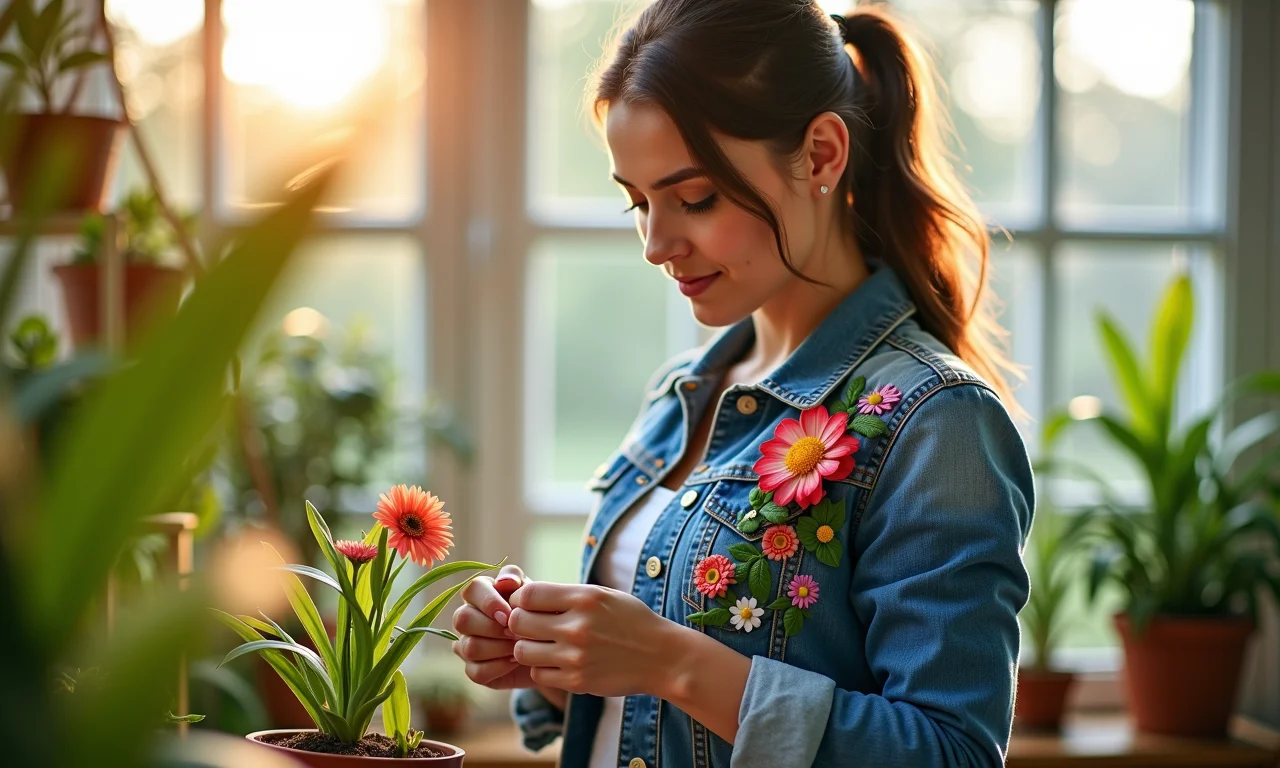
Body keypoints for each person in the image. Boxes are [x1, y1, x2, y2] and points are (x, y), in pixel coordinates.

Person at [452, 2, 1033, 766]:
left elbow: (951, 753)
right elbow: (659, 709)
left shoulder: (936, 422)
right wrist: (554, 658)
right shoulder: (681, 394)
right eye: (639, 202)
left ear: (821, 155)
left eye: (695, 198)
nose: (657, 244)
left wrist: (670, 662)